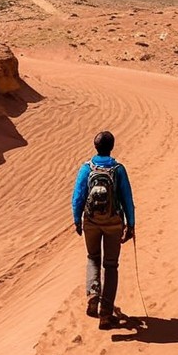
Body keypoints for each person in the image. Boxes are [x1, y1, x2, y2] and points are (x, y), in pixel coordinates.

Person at [72, 130, 135, 329]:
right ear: (112, 146)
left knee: (92, 258)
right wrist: (131, 225)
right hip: (113, 222)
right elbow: (127, 199)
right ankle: (106, 314)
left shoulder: (86, 168)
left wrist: (77, 220)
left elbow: (77, 197)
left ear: (95, 146)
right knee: (110, 265)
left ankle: (93, 294)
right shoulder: (118, 169)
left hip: (91, 221)